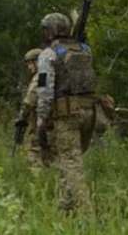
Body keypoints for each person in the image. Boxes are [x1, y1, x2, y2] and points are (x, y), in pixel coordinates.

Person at [35, 12, 100, 212]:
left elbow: (45, 89)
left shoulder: (48, 54)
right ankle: (65, 208)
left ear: (50, 31)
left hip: (66, 115)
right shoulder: (85, 49)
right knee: (69, 159)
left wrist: (41, 118)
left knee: (71, 162)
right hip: (89, 113)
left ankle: (86, 213)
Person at [15, 48, 54, 167]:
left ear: (37, 62)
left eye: (30, 63)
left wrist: (22, 117)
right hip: (53, 119)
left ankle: (37, 180)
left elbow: (30, 99)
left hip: (40, 120)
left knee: (34, 149)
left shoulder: (41, 75)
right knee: (51, 152)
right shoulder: (53, 73)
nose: (29, 67)